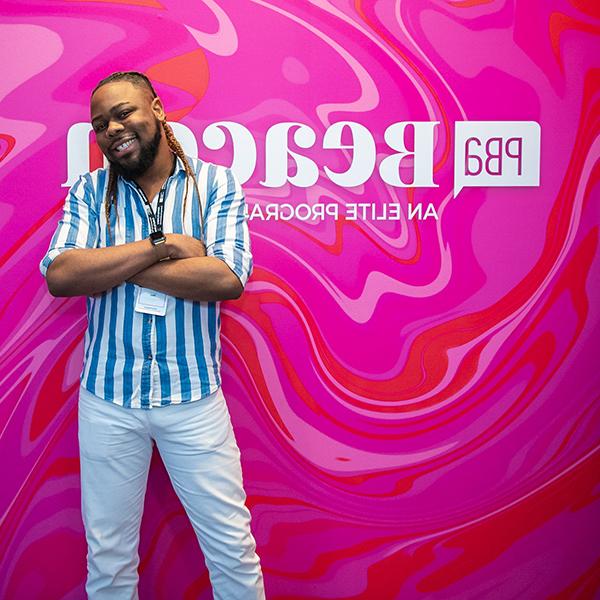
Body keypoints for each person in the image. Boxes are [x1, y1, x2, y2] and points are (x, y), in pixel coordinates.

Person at [40, 71, 265, 600]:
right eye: (100, 124)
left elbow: (226, 278)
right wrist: (163, 246)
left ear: (157, 109)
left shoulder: (216, 184)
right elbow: (62, 276)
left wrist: (110, 264)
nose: (113, 129)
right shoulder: (90, 191)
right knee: (110, 558)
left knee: (232, 550)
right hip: (109, 400)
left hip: (193, 400)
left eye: (124, 113)